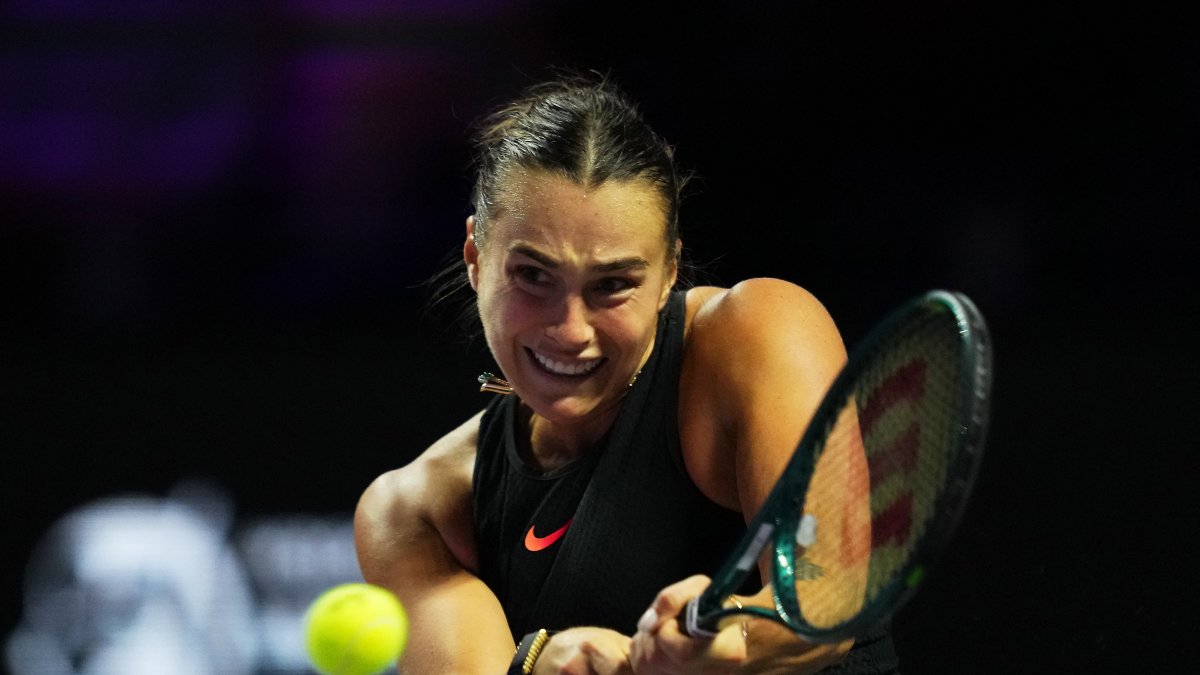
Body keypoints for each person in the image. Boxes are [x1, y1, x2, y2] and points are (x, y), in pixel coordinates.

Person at [354, 72, 899, 674]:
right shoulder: (415, 512)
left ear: (669, 274)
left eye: (612, 286)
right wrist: (541, 662)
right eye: (533, 276)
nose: (569, 330)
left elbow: (823, 602)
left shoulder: (760, 332)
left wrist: (728, 643)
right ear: (476, 258)